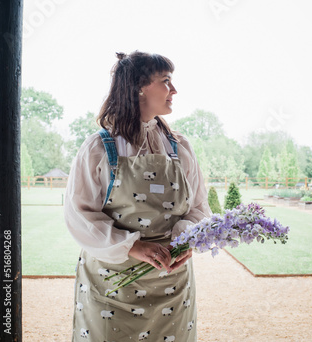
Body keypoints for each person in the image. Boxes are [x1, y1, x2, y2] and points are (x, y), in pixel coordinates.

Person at [64, 50, 212, 341]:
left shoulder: (180, 147)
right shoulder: (98, 148)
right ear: (139, 87)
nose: (174, 90)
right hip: (111, 286)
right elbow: (78, 214)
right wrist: (132, 246)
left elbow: (198, 208)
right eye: (166, 81)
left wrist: (185, 238)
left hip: (172, 286)